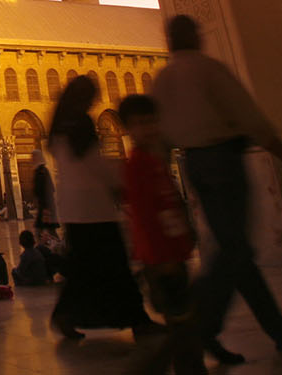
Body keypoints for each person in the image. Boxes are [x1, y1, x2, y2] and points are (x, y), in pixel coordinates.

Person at [151, 14, 282, 363]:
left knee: (234, 250)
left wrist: (162, 182)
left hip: (193, 164)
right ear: (195, 36)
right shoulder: (208, 69)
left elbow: (160, 139)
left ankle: (277, 330)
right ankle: (202, 327)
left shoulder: (163, 78)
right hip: (223, 161)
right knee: (234, 250)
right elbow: (249, 116)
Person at [48, 75, 158, 341]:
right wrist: (123, 177)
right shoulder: (82, 123)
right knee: (116, 266)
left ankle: (65, 315)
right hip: (94, 207)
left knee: (81, 268)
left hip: (72, 208)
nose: (94, 101)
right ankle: (138, 321)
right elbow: (93, 163)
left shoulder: (57, 125)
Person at [119, 94, 204, 375]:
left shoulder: (154, 160)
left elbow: (169, 203)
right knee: (181, 325)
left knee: (183, 324)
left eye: (152, 122)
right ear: (128, 129)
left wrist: (185, 239)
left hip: (173, 255)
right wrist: (160, 257)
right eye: (140, 124)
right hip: (160, 261)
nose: (149, 128)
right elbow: (143, 217)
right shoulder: (137, 165)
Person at [31, 150, 56, 238]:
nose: (32, 159)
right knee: (47, 230)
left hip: (45, 208)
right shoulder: (39, 170)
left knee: (44, 231)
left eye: (33, 157)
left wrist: (45, 207)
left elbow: (47, 189)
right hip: (44, 207)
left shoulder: (42, 171)